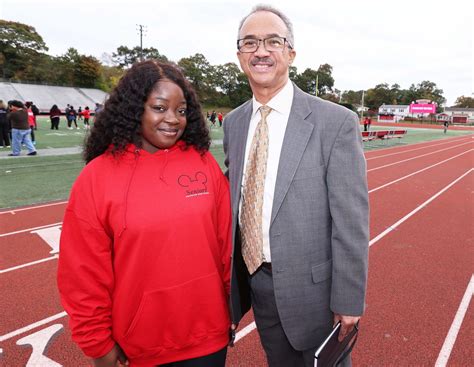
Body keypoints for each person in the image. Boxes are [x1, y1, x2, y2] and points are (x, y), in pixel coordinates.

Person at [57, 60, 232, 367]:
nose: (173, 119)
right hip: (140, 349)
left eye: (181, 110)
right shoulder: (97, 178)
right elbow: (82, 274)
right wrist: (98, 346)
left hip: (209, 339)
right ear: (134, 108)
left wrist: (233, 307)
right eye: (160, 107)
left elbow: (226, 247)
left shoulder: (203, 164)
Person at [223, 5, 369, 367]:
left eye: (273, 41)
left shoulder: (335, 122)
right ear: (239, 54)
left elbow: (350, 221)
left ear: (291, 53)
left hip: (316, 295)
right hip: (260, 286)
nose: (261, 50)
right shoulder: (234, 123)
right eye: (250, 42)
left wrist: (348, 300)